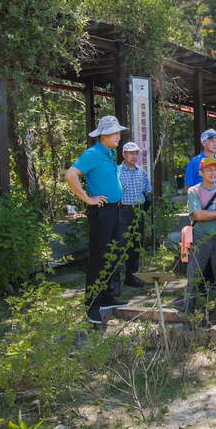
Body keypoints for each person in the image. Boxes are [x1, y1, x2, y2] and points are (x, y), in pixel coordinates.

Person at [64, 115, 129, 325]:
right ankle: (92, 304)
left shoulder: (109, 153)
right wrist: (86, 198)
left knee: (113, 253)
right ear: (105, 135)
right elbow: (71, 174)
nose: (119, 136)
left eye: (119, 132)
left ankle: (107, 297)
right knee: (99, 257)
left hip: (115, 210)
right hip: (101, 212)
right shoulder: (92, 153)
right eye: (116, 133)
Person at [181, 157, 216, 312]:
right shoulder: (193, 191)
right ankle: (189, 308)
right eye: (209, 169)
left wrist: (208, 213)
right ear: (201, 172)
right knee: (194, 274)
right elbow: (197, 215)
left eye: (215, 169)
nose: (213, 173)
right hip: (200, 237)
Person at [118, 141, 152, 288]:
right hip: (122, 211)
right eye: (131, 153)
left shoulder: (142, 172)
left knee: (136, 245)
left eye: (136, 153)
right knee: (120, 244)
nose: (134, 156)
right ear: (124, 154)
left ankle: (131, 277)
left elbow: (147, 191)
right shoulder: (117, 172)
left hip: (138, 212)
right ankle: (115, 281)